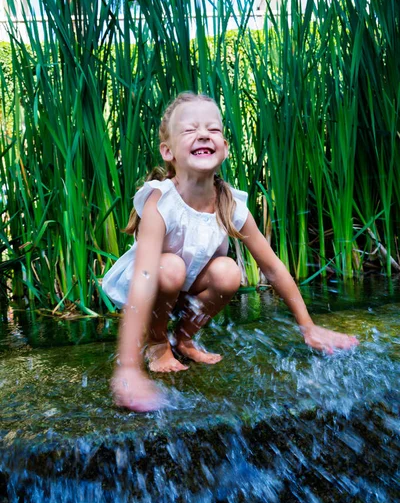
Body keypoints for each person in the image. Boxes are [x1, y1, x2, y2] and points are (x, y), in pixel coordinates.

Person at [103, 92, 358, 412]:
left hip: (186, 285)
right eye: (189, 129)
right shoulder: (160, 201)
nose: (203, 134)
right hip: (153, 283)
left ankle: (182, 338)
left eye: (213, 129)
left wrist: (308, 326)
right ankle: (156, 342)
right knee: (170, 268)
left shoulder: (230, 204)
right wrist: (127, 367)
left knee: (229, 272)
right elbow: (144, 277)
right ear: (168, 151)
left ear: (224, 148)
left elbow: (275, 268)